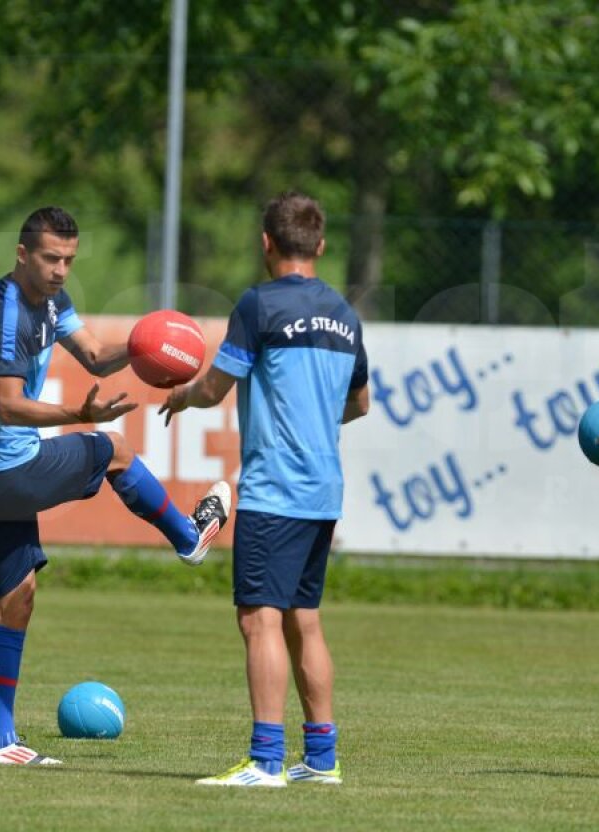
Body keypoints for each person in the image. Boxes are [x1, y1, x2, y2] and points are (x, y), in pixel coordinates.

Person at [0, 206, 231, 766]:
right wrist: (77, 411)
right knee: (113, 451)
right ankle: (187, 537)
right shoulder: (7, 315)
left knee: (16, 598)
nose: (60, 270)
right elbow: (7, 406)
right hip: (4, 474)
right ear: (23, 254)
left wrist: (148, 341)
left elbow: (97, 356)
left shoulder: (52, 301)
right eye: (51, 258)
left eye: (69, 260)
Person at [160, 191, 370, 787]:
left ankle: (266, 761)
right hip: (324, 490)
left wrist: (180, 394)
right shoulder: (344, 315)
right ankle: (322, 760)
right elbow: (360, 403)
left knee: (259, 619)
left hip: (274, 489)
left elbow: (215, 388)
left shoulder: (259, 305)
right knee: (304, 616)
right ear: (321, 246)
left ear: (266, 243)